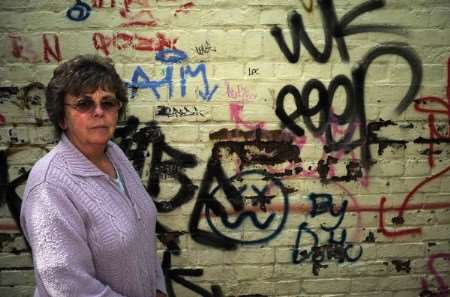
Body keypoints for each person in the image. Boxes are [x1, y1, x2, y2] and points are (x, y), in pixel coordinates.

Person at [20, 55, 167, 297]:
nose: (99, 112)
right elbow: (67, 284)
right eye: (84, 104)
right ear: (61, 117)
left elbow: (142, 237)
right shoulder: (50, 185)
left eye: (108, 103)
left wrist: (157, 288)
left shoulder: (114, 154)